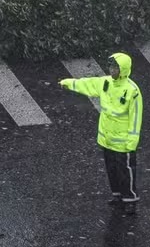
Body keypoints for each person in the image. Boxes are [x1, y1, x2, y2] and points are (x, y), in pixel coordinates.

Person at [59, 52, 143, 214]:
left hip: (123, 142)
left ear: (123, 70)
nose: (112, 71)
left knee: (125, 171)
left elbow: (135, 118)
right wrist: (68, 83)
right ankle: (117, 195)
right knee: (111, 169)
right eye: (111, 67)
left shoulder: (132, 91)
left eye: (115, 68)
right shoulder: (106, 83)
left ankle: (130, 199)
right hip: (107, 139)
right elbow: (87, 85)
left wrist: (132, 142)